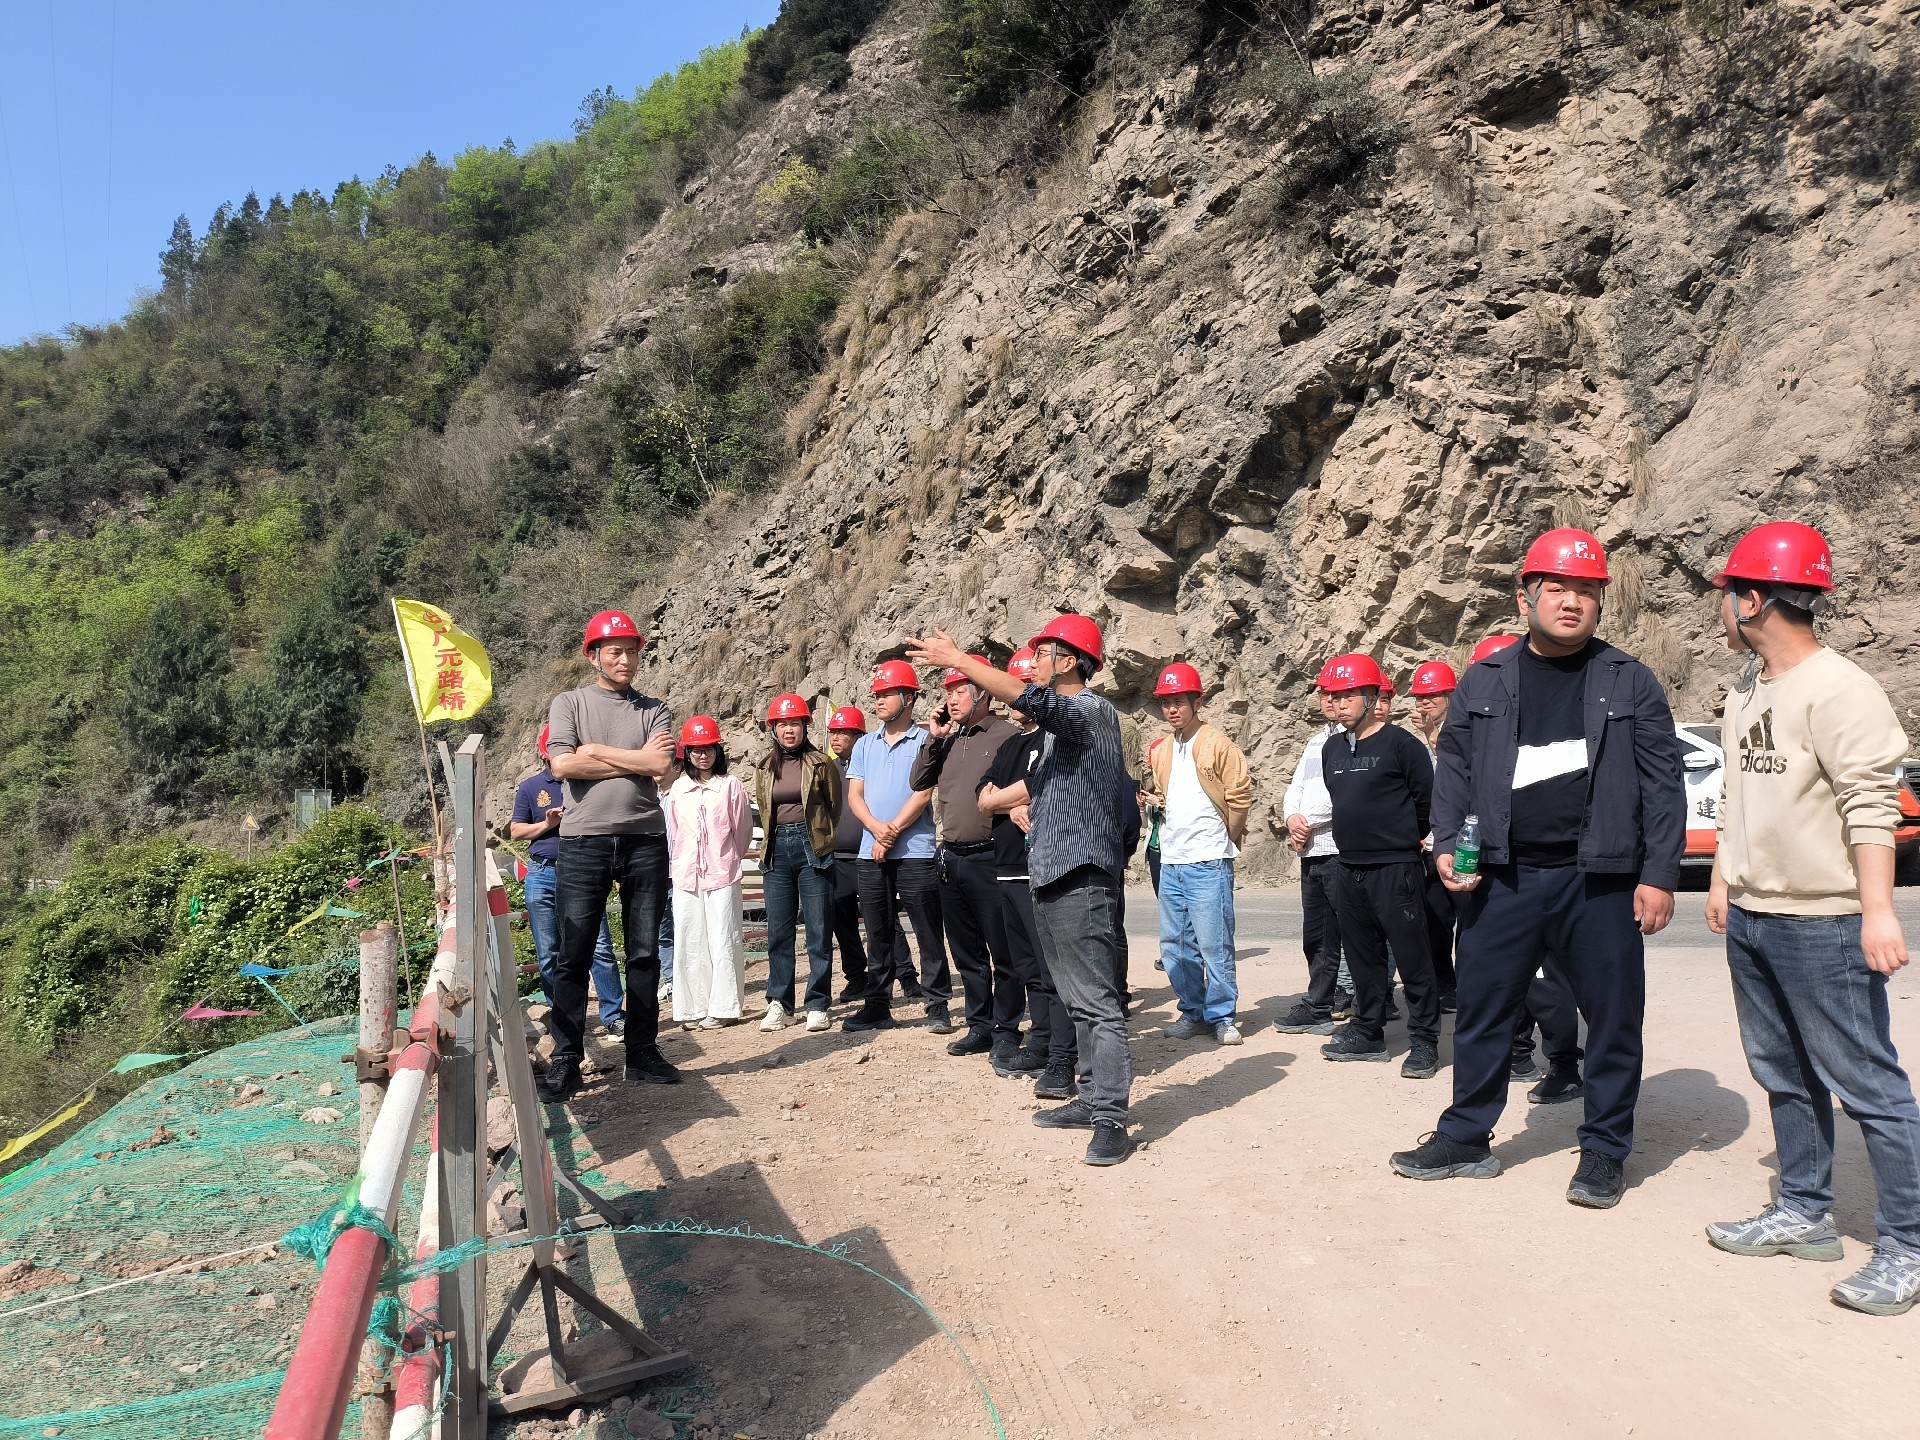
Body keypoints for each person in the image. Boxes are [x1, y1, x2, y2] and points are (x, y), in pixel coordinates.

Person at [1391, 528, 1684, 1209]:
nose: (1572, 601)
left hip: (1600, 881)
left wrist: (1659, 874)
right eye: (1557, 588)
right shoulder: (1486, 679)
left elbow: (1663, 785)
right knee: (1484, 1011)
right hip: (1504, 877)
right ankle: (1466, 1137)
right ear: (1526, 598)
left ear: (1600, 601)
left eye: (1586, 590)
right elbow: (1456, 773)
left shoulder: (1629, 680)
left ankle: (1604, 1150)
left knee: (1612, 1018)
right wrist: (1450, 847)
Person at [1701, 521, 1920, 1316]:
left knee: (1869, 1086)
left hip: (1823, 923)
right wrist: (1723, 880)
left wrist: (1877, 913)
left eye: (1728, 594)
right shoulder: (1747, 690)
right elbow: (1737, 795)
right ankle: (1803, 1211)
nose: (1722, 609)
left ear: (1753, 600)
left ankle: (1908, 1246)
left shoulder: (1841, 689)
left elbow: (1872, 806)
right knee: (1783, 1074)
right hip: (1755, 915)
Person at [909, 617, 1135, 1168]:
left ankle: (1110, 1118)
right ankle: (1090, 1097)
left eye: (1043, 653)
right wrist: (1013, 805)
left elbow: (1032, 701)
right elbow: (1039, 784)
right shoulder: (1058, 736)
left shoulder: (1091, 711)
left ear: (1070, 661)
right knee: (1076, 1000)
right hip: (1050, 873)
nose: (1032, 663)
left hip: (1081, 875)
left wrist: (960, 660)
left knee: (1097, 1003)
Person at [542, 610, 679, 1101]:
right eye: (615, 651)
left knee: (643, 951)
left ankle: (641, 1051)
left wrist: (596, 750)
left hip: (645, 839)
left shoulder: (654, 709)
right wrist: (634, 760)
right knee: (573, 954)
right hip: (584, 841)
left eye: (631, 651)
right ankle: (566, 1059)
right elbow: (562, 765)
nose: (625, 660)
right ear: (594, 656)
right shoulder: (569, 702)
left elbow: (661, 763)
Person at [1315, 653, 1442, 1079]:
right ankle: (1368, 1032)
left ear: (1372, 696)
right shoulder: (1332, 748)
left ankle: (1424, 1041)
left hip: (1396, 869)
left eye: (1349, 694)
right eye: (1335, 695)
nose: (1340, 703)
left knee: (1413, 958)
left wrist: (1400, 840)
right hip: (1348, 867)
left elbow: (1427, 804)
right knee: (1362, 958)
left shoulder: (1402, 745)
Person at [912, 656, 1020, 1061]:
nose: (952, 700)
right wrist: (935, 738)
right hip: (952, 858)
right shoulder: (948, 741)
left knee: (1003, 951)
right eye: (949, 693)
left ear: (983, 694)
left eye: (960, 690)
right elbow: (918, 781)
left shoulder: (1007, 735)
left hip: (993, 857)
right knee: (967, 953)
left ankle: (1007, 1028)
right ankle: (980, 1026)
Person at [1140, 662, 1252, 1048]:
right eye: (1166, 702)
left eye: (1179, 701)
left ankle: (1222, 1016)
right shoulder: (1163, 751)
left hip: (1207, 860)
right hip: (1172, 860)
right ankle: (1192, 1011)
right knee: (1175, 946)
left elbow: (1239, 797)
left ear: (1197, 702)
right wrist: (1155, 806)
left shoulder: (1218, 744)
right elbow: (1167, 797)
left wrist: (1225, 839)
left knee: (1214, 943)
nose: (1172, 709)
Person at [843, 661, 951, 1033]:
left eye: (887, 694)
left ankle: (937, 1004)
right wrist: (877, 831)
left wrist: (891, 834)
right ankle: (877, 1004)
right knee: (878, 932)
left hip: (915, 851)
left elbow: (923, 793)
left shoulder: (925, 740)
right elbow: (855, 796)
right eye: (877, 694)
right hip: (870, 852)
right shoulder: (864, 744)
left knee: (927, 930)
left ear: (909, 698)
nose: (879, 700)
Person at [977, 647, 1061, 1083]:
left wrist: (1002, 799)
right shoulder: (1010, 745)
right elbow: (982, 797)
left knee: (1050, 967)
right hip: (1006, 868)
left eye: (1024, 685)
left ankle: (1056, 1048)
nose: (1015, 696)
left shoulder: (1054, 736)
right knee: (1026, 965)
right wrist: (1007, 804)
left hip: (1040, 868)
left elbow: (1039, 783)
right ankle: (1040, 1040)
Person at [512, 725, 624, 1036]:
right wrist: (547, 824)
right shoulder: (531, 787)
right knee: (550, 951)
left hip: (585, 870)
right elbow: (517, 831)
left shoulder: (592, 782)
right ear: (545, 754)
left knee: (599, 946)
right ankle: (564, 1019)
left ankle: (614, 1015)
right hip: (543, 872)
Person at [754, 694, 842, 1034]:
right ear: (773, 729)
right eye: (782, 724)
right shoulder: (764, 766)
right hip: (776, 848)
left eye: (795, 723)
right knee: (779, 932)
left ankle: (817, 1003)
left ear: (805, 726)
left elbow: (834, 808)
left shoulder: (821, 763)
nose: (789, 730)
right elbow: (765, 810)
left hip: (811, 846)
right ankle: (780, 1003)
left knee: (818, 930)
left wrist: (820, 840)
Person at [663, 716, 754, 1030]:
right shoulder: (679, 789)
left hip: (721, 873)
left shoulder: (730, 786)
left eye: (709, 749)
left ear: (718, 750)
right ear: (687, 753)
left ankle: (724, 1007)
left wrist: (725, 858)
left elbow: (742, 831)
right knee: (689, 940)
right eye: (696, 750)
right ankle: (692, 1008)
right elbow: (676, 832)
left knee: (723, 938)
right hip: (686, 875)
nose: (703, 755)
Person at [1275, 689, 1349, 1035]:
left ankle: (1370, 1014)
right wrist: (1292, 817)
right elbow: (1296, 787)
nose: (1331, 702)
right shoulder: (1315, 742)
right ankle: (1319, 1005)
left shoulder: (1355, 741)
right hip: (1312, 852)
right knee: (1317, 936)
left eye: (1338, 695)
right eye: (1325, 695)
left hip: (1340, 851)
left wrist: (1305, 823)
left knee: (1356, 936)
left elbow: (1346, 793)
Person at [1406, 661, 1461, 1012]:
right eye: (1420, 697)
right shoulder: (1418, 744)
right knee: (1435, 921)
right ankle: (1445, 983)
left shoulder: (1462, 730)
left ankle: (1468, 984)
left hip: (1460, 843)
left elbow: (1453, 775)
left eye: (1433, 696)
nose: (1425, 703)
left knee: (1468, 920)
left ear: (1450, 696)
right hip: (1428, 847)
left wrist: (1432, 736)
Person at [826, 706, 874, 1004]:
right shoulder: (827, 769)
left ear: (858, 736)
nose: (835, 738)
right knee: (842, 923)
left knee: (881, 918)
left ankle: (905, 974)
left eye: (842, 732)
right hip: (838, 859)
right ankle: (857, 976)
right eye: (833, 732)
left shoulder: (873, 764)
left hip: (869, 854)